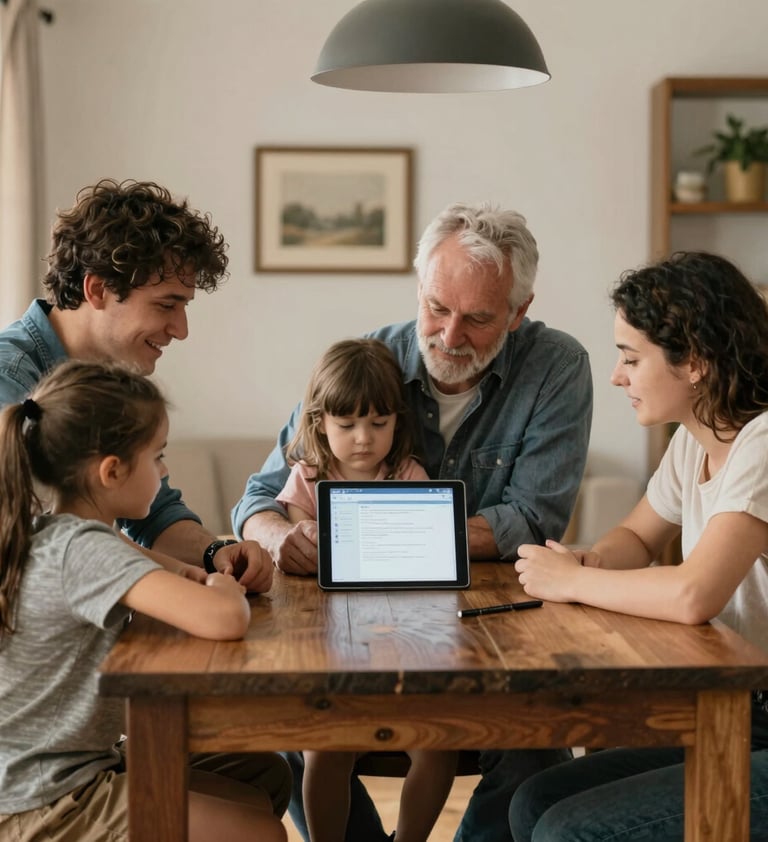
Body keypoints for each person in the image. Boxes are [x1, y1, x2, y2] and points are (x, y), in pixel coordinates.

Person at [232, 202, 594, 842]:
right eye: (436, 307)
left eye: (479, 319)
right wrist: (281, 536)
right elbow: (258, 496)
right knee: (285, 723)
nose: (450, 336)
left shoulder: (556, 368)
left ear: (519, 311)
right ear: (418, 288)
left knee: (536, 743)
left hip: (490, 629)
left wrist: (375, 539)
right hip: (348, 627)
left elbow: (534, 519)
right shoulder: (371, 359)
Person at [508, 251, 768, 841]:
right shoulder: (695, 441)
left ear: (695, 361)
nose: (617, 376)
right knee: (534, 801)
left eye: (631, 358)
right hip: (734, 712)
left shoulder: (762, 442)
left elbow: (693, 593)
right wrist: (591, 560)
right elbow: (637, 536)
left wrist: (571, 582)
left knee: (568, 829)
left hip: (755, 723)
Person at [0, 359, 289, 842]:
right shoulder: (83, 550)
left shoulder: (65, 533)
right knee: (258, 832)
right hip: (44, 800)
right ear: (111, 472)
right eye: (157, 455)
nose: (165, 469)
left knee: (263, 780)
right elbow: (223, 618)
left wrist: (196, 571)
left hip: (65, 769)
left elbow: (163, 570)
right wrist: (223, 590)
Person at [0, 178, 273, 592]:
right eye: (167, 304)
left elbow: (153, 513)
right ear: (97, 289)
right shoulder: (10, 376)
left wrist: (215, 552)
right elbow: (41, 539)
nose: (180, 330)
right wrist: (180, 576)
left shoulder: (108, 384)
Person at [278, 337, 458, 842]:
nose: (363, 438)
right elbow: (299, 563)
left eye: (379, 424)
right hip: (333, 654)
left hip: (407, 648)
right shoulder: (307, 481)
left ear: (398, 423)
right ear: (319, 424)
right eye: (347, 425)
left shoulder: (408, 475)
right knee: (323, 748)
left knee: (438, 747)